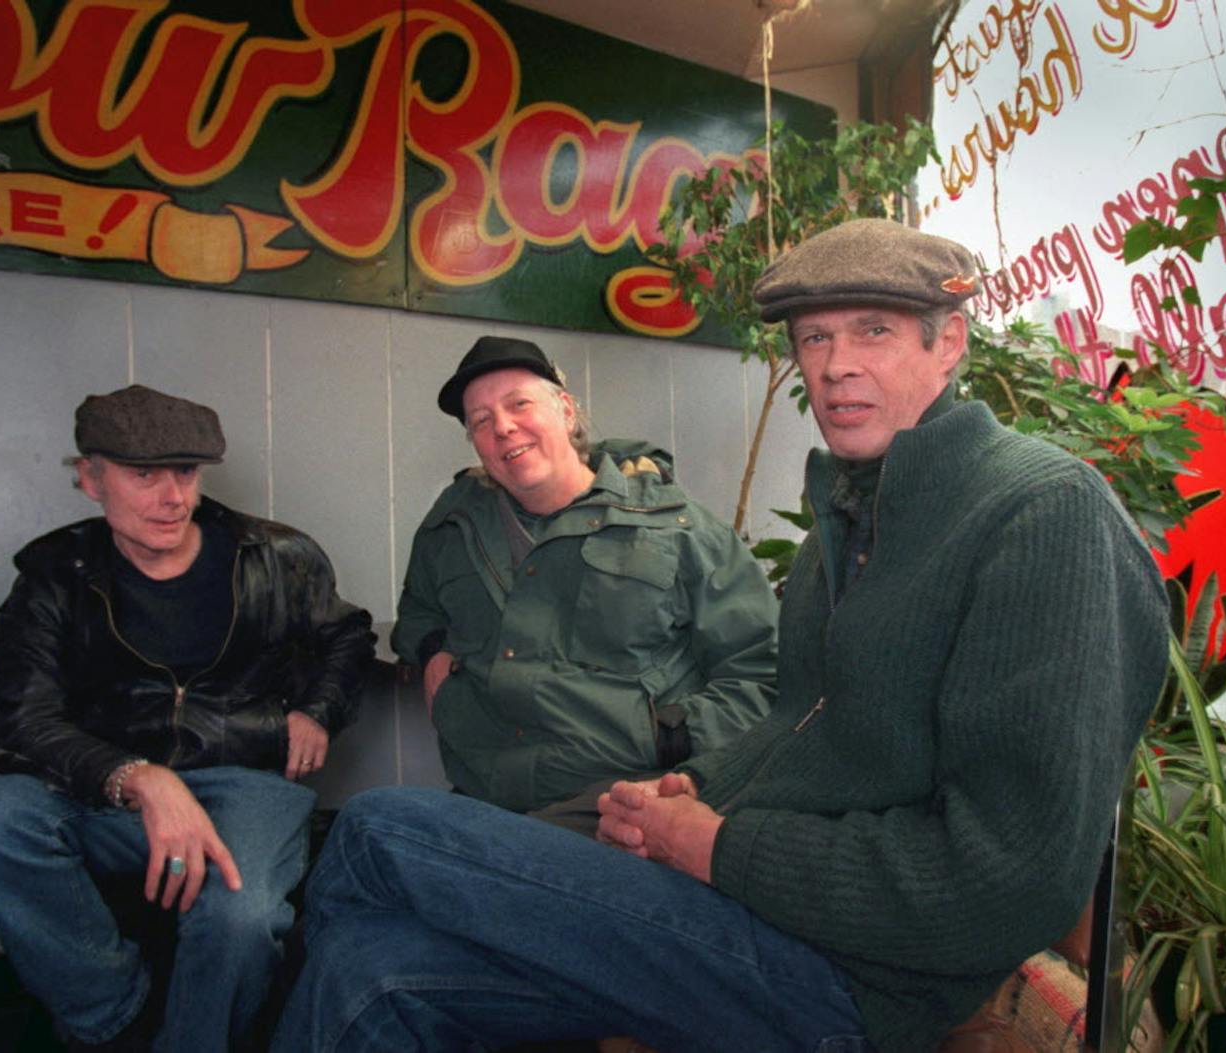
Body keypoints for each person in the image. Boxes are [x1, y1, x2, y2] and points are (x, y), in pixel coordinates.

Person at [272, 220, 1169, 1053]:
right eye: (815, 339)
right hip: (752, 901)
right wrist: (690, 782)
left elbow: (1007, 878)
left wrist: (713, 843)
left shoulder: (1040, 512)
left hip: (858, 982)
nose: (836, 366)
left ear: (950, 341)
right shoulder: (842, 530)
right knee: (370, 973)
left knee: (379, 824)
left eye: (873, 332)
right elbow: (804, 726)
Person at [0, 384, 376, 1052]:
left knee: (241, 916)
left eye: (186, 473)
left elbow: (347, 635)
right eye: (144, 475)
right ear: (90, 478)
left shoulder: (276, 556)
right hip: (104, 795)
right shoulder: (57, 572)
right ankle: (116, 1018)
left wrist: (318, 711)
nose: (173, 497)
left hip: (243, 780)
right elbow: (20, 718)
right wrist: (137, 776)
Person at [390, 336, 777, 827]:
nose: (503, 427)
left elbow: (762, 676)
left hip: (623, 799)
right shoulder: (452, 524)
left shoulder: (678, 529)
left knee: (379, 827)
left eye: (519, 404)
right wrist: (430, 654)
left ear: (567, 411)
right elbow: (419, 610)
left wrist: (673, 740)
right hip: (486, 793)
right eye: (481, 421)